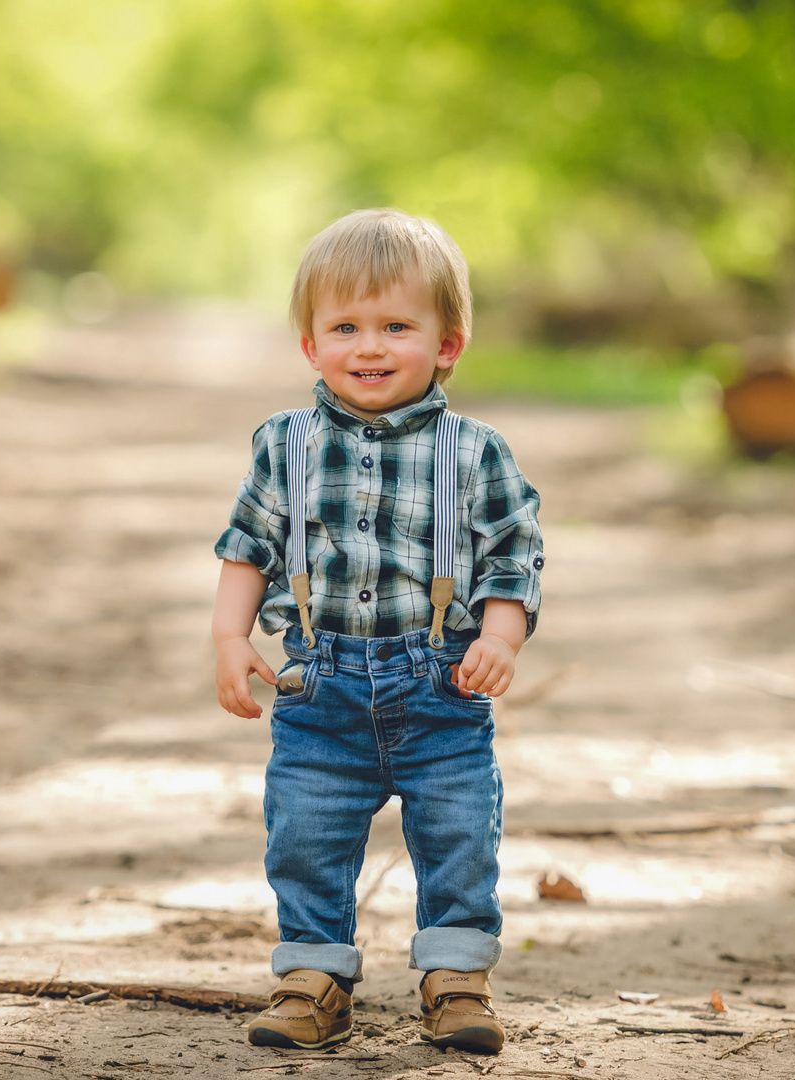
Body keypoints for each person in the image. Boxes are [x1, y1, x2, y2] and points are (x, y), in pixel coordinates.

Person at [211, 208, 544, 1055]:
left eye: (397, 326)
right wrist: (228, 637)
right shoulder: (283, 445)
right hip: (320, 687)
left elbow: (513, 553)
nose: (370, 346)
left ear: (446, 344)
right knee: (306, 830)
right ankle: (313, 976)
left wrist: (498, 637)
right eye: (345, 327)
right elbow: (249, 547)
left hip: (441, 684)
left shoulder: (477, 453)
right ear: (309, 345)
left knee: (460, 831)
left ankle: (455, 977)